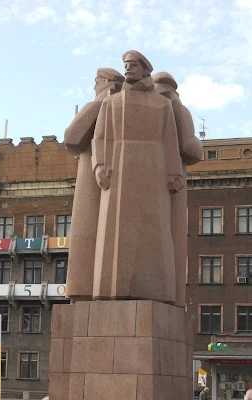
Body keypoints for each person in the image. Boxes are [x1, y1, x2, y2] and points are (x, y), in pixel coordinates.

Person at [91, 50, 183, 301]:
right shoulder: (111, 103)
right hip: (118, 169)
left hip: (155, 169)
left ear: (145, 70)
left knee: (155, 230)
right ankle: (112, 290)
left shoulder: (162, 104)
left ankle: (156, 290)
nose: (128, 69)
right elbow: (99, 139)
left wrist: (174, 172)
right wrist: (99, 166)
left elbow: (170, 142)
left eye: (133, 65)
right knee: (115, 232)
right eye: (125, 65)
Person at [64, 68, 124, 300]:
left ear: (107, 83)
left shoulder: (99, 104)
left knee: (86, 233)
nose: (94, 86)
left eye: (97, 81)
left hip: (91, 174)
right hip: (115, 177)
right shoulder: (124, 107)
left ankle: (81, 290)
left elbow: (71, 137)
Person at [153, 72, 203, 306]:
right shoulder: (177, 108)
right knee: (170, 240)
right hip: (173, 182)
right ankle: (170, 296)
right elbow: (192, 148)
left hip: (157, 179)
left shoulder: (154, 106)